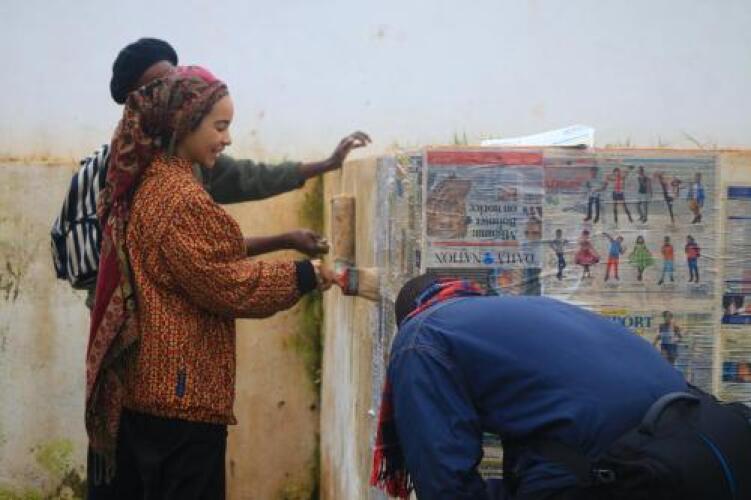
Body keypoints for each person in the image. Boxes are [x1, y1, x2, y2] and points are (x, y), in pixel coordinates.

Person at [85, 67, 341, 499]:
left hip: (147, 390)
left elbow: (202, 261)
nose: (227, 139)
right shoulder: (181, 198)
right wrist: (306, 275)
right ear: (184, 123)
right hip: (179, 399)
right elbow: (228, 285)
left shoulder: (150, 182)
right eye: (220, 127)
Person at [51, 38, 370, 308]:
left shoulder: (183, 160)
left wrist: (326, 165)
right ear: (140, 101)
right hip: (144, 325)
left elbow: (250, 178)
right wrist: (303, 274)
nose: (171, 89)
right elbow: (215, 273)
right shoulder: (158, 183)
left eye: (174, 80)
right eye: (158, 86)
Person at [370, 274, 689, 499]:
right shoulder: (523, 311)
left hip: (606, 454)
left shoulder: (420, 337)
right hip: (688, 430)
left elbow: (444, 483)